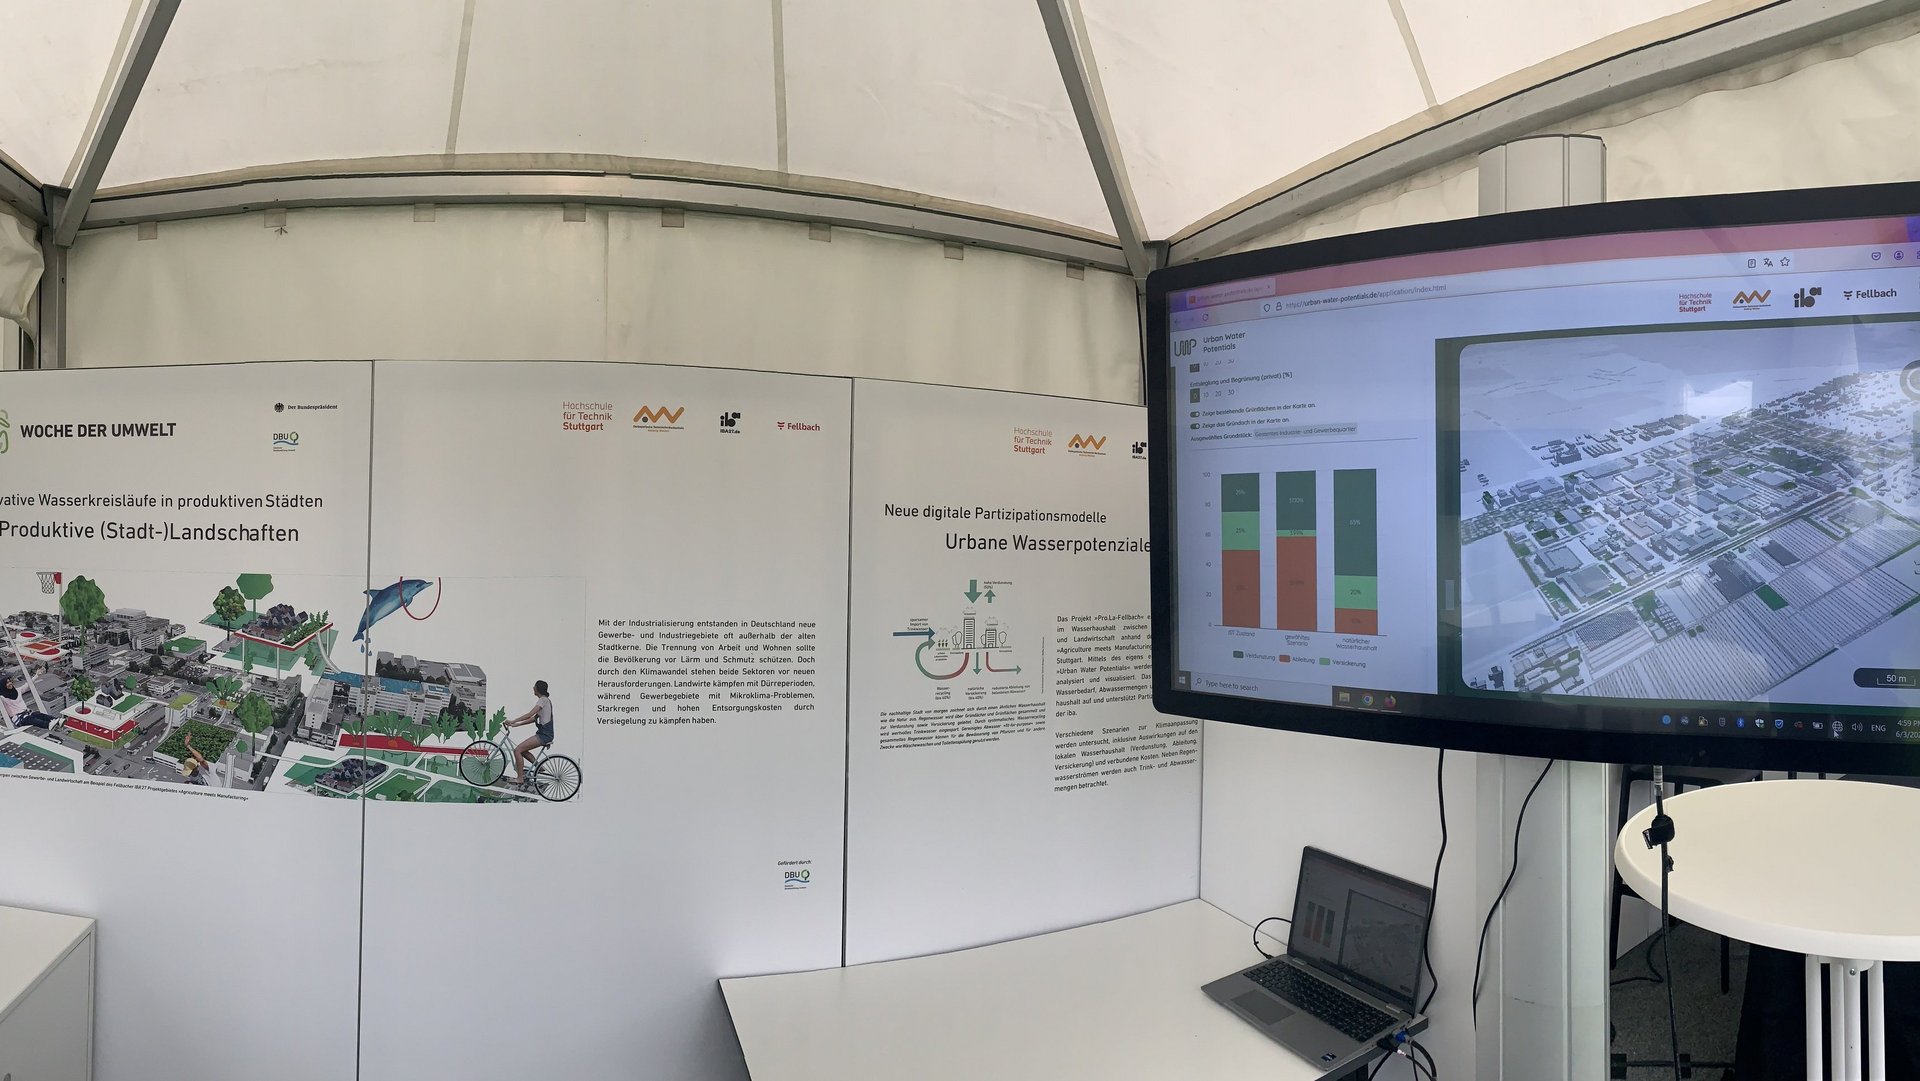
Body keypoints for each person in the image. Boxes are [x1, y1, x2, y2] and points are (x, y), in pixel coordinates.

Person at [500, 680, 554, 787]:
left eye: (534, 686)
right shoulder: (545, 701)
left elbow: (529, 714)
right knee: (523, 750)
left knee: (517, 750)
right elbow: (533, 719)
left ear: (538, 689)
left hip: (544, 734)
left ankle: (520, 778)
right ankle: (539, 767)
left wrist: (513, 721)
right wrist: (516, 725)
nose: (533, 688)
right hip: (544, 733)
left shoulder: (543, 700)